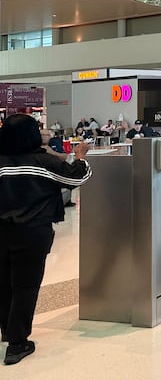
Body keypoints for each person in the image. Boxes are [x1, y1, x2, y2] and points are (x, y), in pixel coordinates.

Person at [0, 114, 92, 365]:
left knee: (4, 283)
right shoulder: (43, 162)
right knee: (25, 287)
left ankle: (7, 331)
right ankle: (17, 344)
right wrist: (81, 157)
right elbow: (77, 178)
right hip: (32, 232)